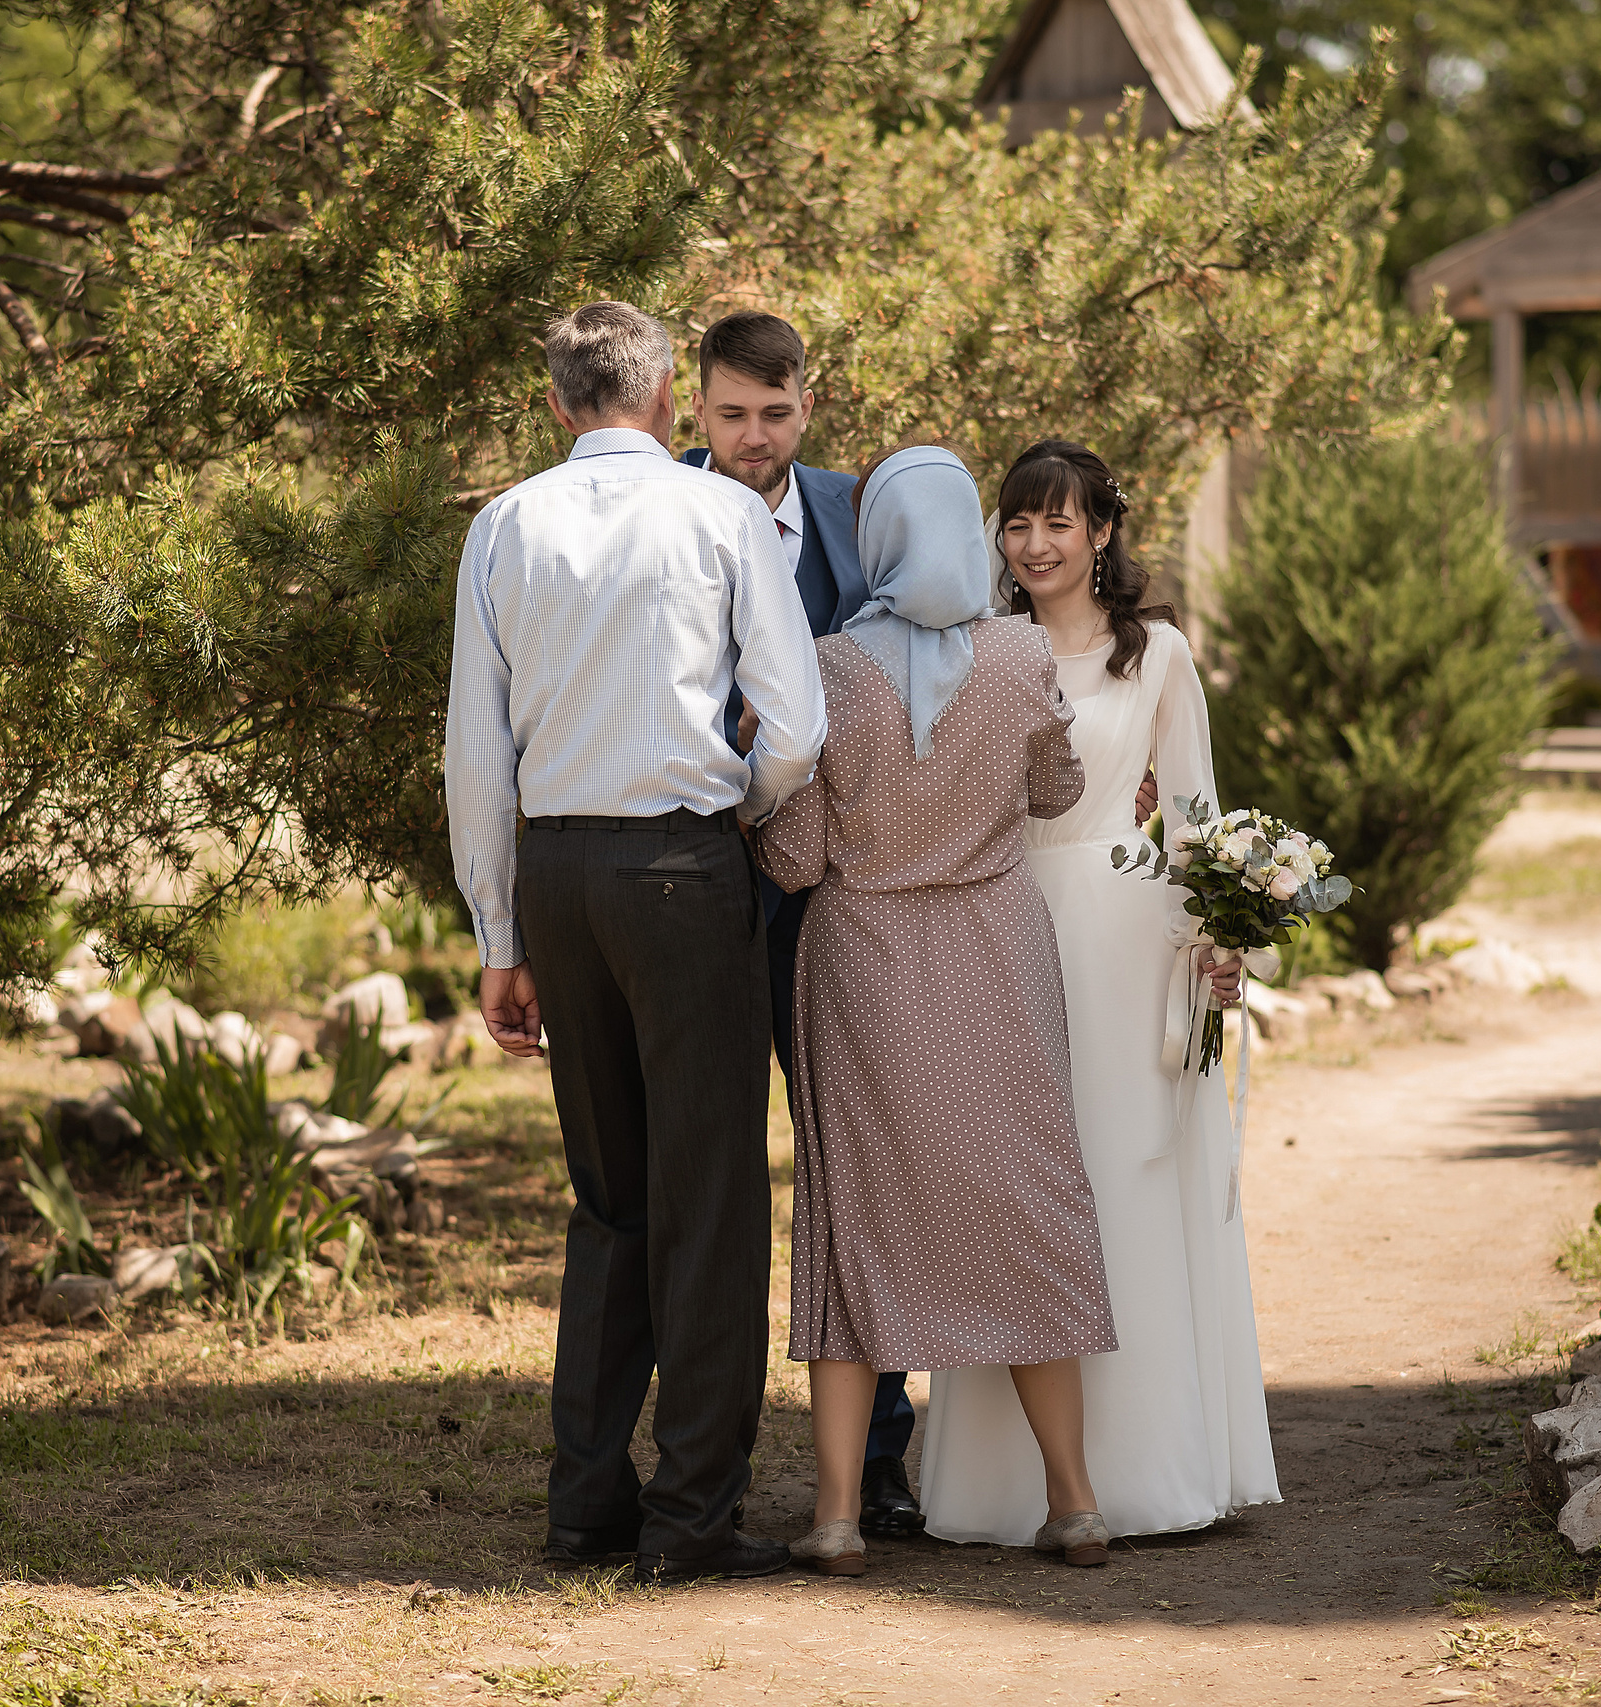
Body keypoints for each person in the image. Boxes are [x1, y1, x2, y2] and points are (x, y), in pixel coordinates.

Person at [444, 300, 826, 1584]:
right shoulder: (719, 516)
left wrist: (500, 934)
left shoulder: (503, 524)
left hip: (554, 871)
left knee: (608, 1199)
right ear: (670, 400)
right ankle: (692, 1522)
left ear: (558, 406)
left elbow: (474, 757)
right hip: (681, 863)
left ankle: (584, 1509)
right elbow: (795, 725)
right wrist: (742, 812)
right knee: (710, 1203)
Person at [753, 443, 1120, 1578]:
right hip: (995, 951)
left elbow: (798, 857)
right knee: (1027, 1202)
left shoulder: (827, 668)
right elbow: (1054, 789)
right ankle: (1073, 1503)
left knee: (854, 1221)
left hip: (861, 961)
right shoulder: (1016, 653)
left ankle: (834, 1517)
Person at [919, 439, 1279, 1546]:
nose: (1034, 546)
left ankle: (1148, 1470)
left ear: (1102, 532)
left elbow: (1199, 823)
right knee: (1019, 1185)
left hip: (1130, 936)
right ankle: (1002, 1481)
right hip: (999, 924)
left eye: (1058, 524)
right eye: (1016, 525)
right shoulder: (976, 650)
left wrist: (1226, 943)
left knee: (1127, 1176)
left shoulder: (1158, 653)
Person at [678, 310, 924, 1540]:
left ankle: (880, 1457)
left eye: (775, 415)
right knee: (709, 1176)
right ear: (695, 408)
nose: (753, 439)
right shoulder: (657, 512)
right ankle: (699, 1469)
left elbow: (939, 662)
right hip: (691, 891)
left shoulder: (856, 514)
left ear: (806, 408)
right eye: (731, 416)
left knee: (861, 1171)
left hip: (840, 906)